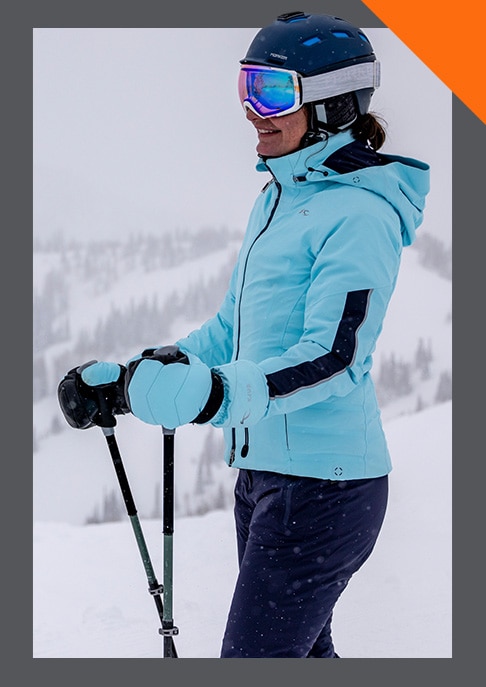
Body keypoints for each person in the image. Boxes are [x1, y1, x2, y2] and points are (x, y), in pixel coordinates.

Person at [59, 12, 430, 658]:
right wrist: (132, 378)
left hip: (326, 489)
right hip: (264, 477)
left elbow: (335, 356)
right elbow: (233, 329)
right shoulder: (277, 198)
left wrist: (215, 396)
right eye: (247, 88)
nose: (254, 110)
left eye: (274, 92)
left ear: (333, 102)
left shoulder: (361, 214)